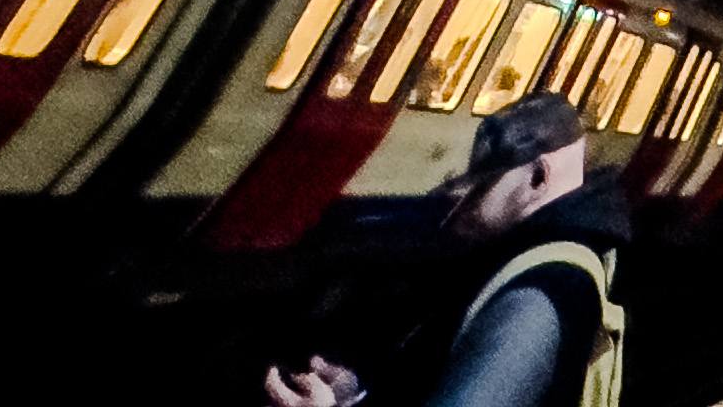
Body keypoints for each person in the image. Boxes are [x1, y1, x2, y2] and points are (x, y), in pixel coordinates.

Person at [265, 93, 629, 407]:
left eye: (481, 187)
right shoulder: (531, 261)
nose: (460, 206)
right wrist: (358, 397)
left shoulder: (543, 294)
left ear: (538, 177)